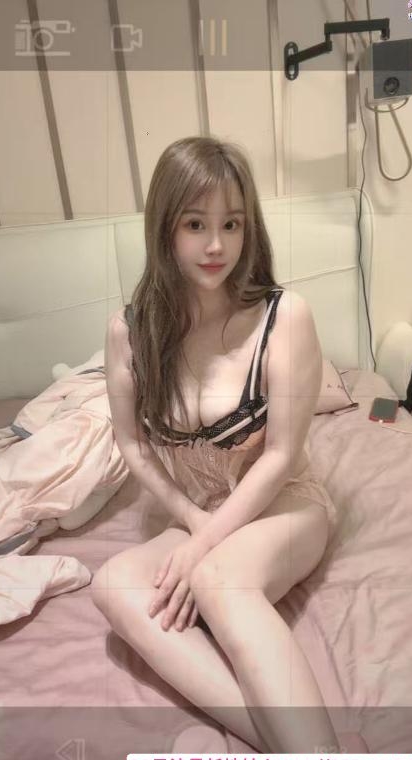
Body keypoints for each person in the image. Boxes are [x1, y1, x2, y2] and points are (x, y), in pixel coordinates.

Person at [91, 135, 342, 752]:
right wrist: (191, 520)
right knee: (112, 584)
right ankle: (283, 742)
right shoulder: (131, 331)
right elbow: (131, 443)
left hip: (283, 503)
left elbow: (281, 455)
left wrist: (203, 543)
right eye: (195, 224)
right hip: (198, 509)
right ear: (165, 227)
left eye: (232, 224)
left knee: (218, 581)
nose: (216, 246)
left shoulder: (284, 316)